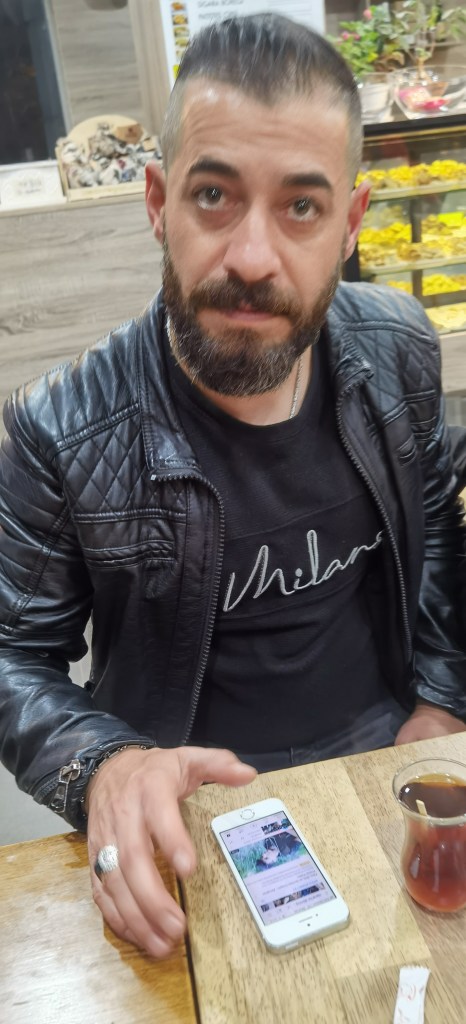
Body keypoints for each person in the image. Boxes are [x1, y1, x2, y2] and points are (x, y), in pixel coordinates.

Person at [0, 14, 465, 961]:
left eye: (301, 208)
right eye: (214, 196)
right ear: (158, 201)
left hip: (390, 765)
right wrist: (105, 765)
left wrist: (442, 701)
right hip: (190, 810)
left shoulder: (399, 352)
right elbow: (11, 652)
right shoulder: (60, 428)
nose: (252, 258)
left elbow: (438, 533)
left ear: (351, 223)